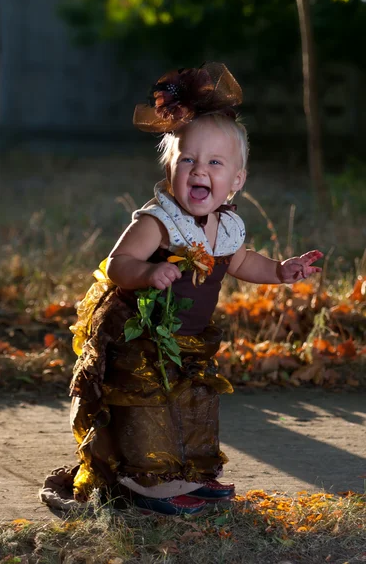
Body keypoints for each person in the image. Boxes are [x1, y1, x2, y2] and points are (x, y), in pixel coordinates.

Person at [56, 63, 323, 515]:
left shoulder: (227, 226)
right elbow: (118, 264)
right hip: (141, 338)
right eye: (188, 161)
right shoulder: (158, 222)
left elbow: (240, 262)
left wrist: (279, 270)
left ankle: (186, 473)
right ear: (170, 168)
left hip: (187, 341)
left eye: (215, 163)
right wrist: (146, 274)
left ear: (235, 181)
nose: (200, 170)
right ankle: (144, 480)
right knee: (149, 408)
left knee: (192, 404)